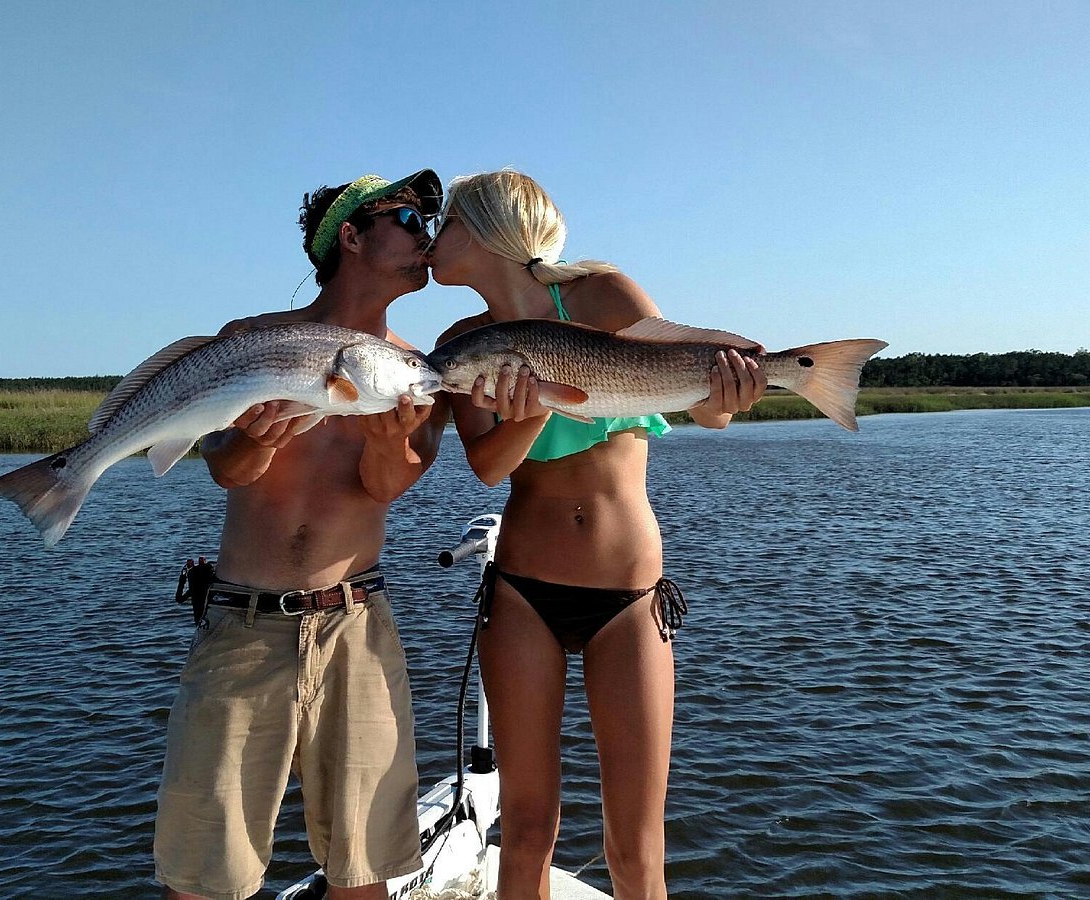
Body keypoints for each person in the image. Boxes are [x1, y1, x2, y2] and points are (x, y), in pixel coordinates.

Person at [428, 170, 767, 899]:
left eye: (447, 221)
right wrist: (527, 406)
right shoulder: (459, 343)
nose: (432, 238)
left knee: (637, 847)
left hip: (629, 597)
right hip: (523, 594)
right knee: (525, 831)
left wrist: (731, 396)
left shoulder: (601, 294)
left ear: (490, 229)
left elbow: (702, 398)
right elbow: (489, 466)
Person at [154, 169, 449, 900]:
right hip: (240, 624)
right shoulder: (249, 342)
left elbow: (388, 485)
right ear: (350, 236)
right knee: (205, 875)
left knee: (364, 872)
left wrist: (388, 440)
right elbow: (225, 467)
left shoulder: (417, 372)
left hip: (355, 624)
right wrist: (257, 442)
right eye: (409, 221)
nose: (427, 238)